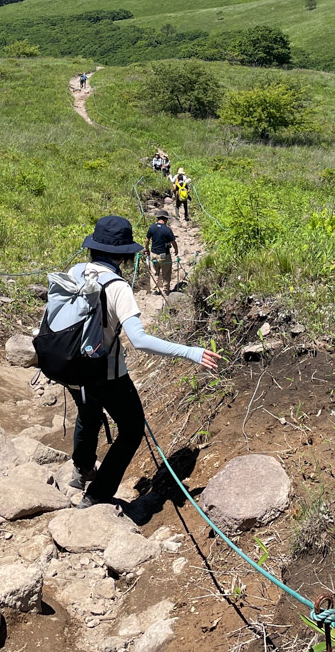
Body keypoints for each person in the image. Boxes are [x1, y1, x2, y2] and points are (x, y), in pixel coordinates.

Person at [66, 215, 219, 508]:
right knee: (133, 428)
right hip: (106, 372)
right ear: (123, 254)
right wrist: (191, 352)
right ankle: (96, 495)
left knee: (87, 411)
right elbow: (139, 339)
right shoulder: (118, 286)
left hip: (70, 365)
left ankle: (81, 469)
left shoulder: (74, 272)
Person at [144, 210, 179, 294]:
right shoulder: (167, 230)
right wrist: (176, 250)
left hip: (153, 254)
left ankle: (154, 290)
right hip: (164, 255)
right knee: (166, 274)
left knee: (154, 273)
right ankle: (165, 290)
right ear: (165, 219)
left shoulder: (152, 227)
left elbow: (147, 240)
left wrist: (147, 249)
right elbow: (173, 242)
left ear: (158, 218)